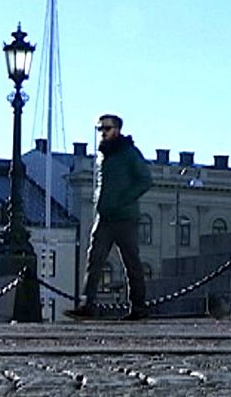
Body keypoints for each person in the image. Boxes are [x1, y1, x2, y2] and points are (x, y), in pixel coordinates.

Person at [65, 114, 153, 321]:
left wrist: (124, 199)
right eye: (100, 129)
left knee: (131, 263)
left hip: (125, 218)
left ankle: (138, 308)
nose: (102, 132)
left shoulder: (129, 153)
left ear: (118, 130)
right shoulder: (103, 155)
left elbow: (145, 180)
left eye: (107, 128)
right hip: (104, 217)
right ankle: (87, 305)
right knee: (94, 260)